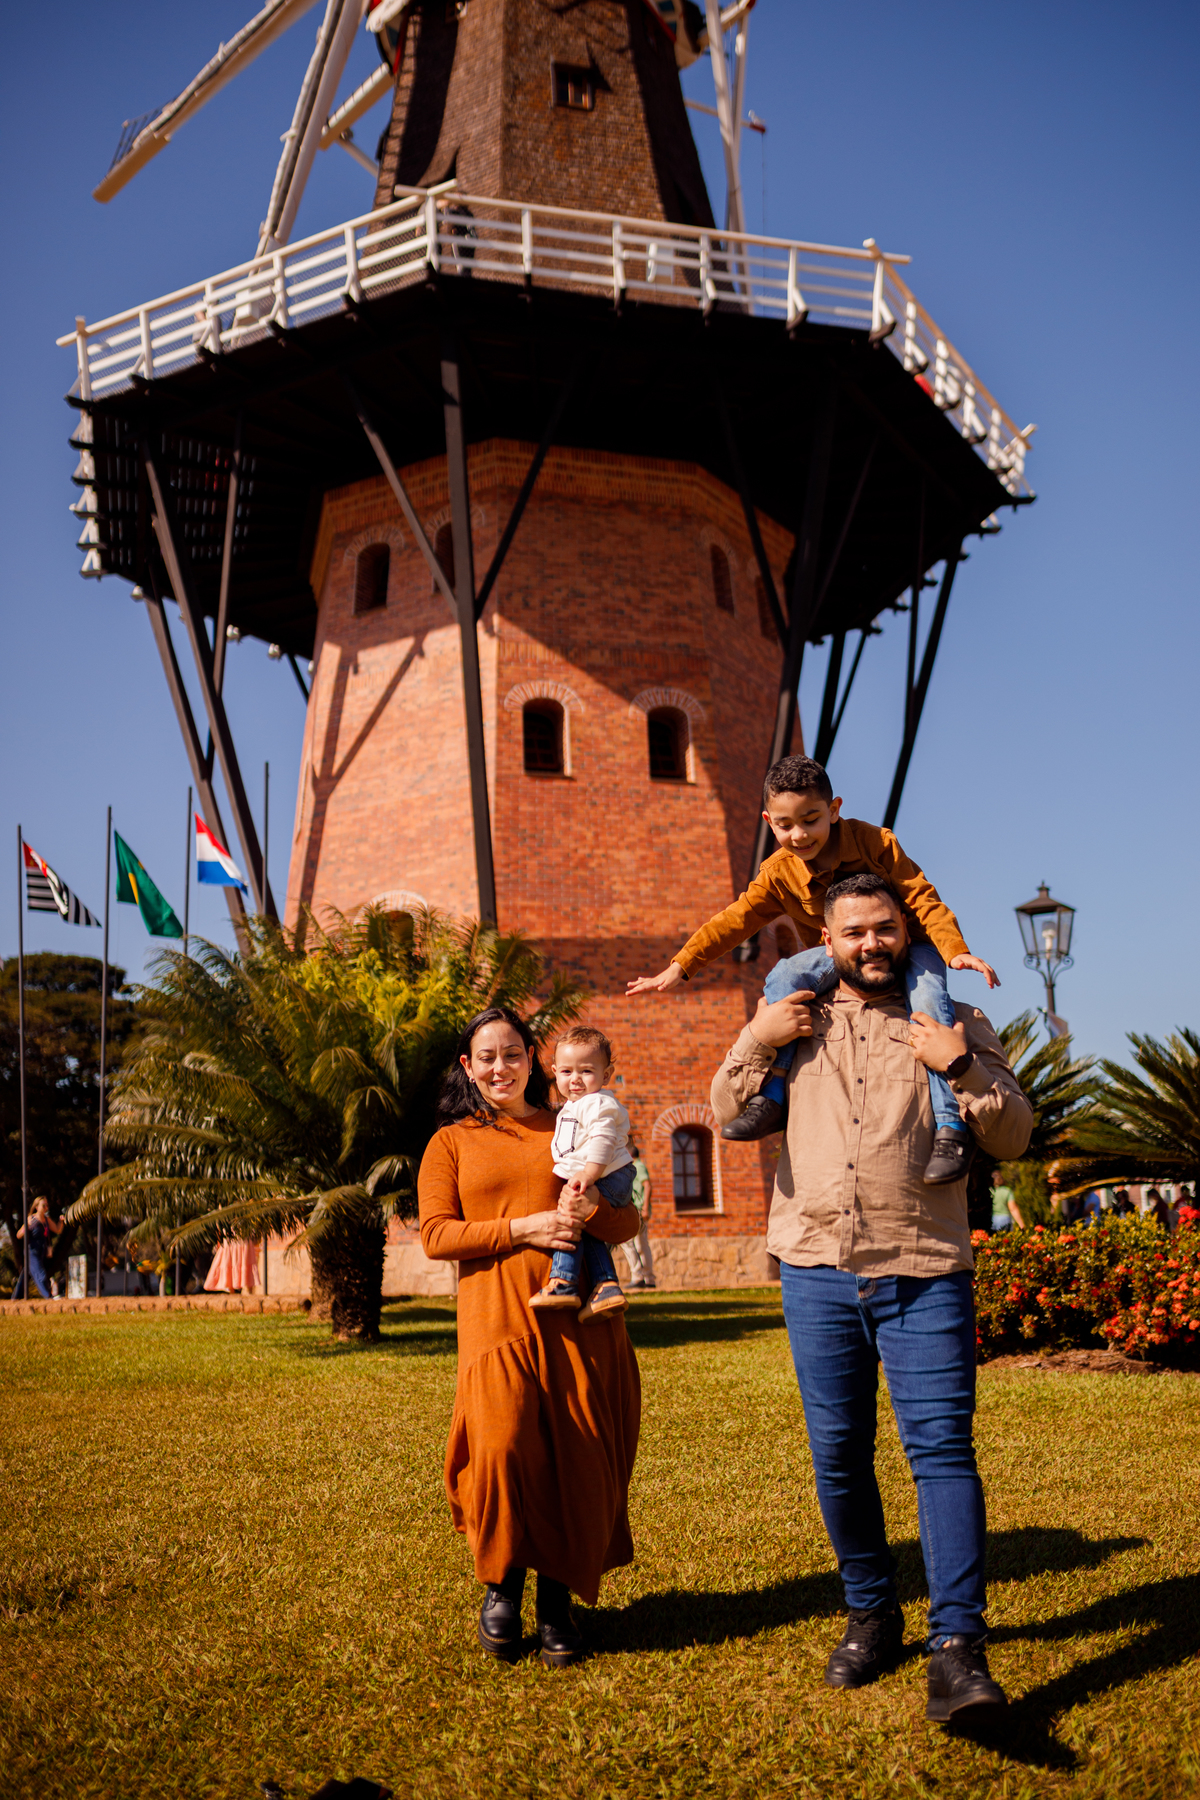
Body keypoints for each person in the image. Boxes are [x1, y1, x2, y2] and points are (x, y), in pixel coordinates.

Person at [711, 873, 1033, 1722]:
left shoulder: (953, 1020)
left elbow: (1014, 1131)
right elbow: (725, 1110)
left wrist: (955, 1064)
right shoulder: (797, 1022)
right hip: (816, 1268)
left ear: (905, 931)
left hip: (923, 1269)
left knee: (942, 1453)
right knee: (840, 1457)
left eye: (884, 929)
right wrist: (758, 1033)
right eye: (852, 932)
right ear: (828, 938)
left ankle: (958, 1649)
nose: (871, 945)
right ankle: (871, 1614)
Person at [628, 755, 998, 1186]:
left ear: (834, 810)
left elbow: (922, 897)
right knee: (783, 977)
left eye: (811, 820)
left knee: (931, 1001)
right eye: (785, 825)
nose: (799, 834)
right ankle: (771, 1097)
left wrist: (954, 950)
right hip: (837, 956)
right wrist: (680, 965)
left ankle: (951, 1127)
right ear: (769, 821)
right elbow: (734, 920)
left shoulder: (875, 842)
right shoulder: (778, 873)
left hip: (907, 946)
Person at [418, 1006, 642, 1667]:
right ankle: (501, 1587)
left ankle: (557, 1607)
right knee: (502, 1451)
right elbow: (435, 1235)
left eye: (512, 1053)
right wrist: (526, 1227)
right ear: (468, 1066)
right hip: (496, 1323)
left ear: (532, 1060)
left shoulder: (575, 1123)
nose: (499, 1067)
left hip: (580, 1324)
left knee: (575, 1457)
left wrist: (588, 1207)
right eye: (486, 1057)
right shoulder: (450, 1142)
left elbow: (625, 1225)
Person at [531, 1028, 634, 1321]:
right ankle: (607, 1286)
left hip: (609, 1176)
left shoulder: (598, 1102)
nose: (574, 1078)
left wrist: (588, 1174)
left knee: (571, 1219)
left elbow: (602, 1139)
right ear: (554, 1072)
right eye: (566, 1071)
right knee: (588, 1231)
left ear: (606, 1074)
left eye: (586, 1070)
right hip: (601, 1175)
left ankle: (563, 1281)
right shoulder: (572, 1106)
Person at [12, 1197, 64, 1299]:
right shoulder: (31, 1219)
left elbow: (57, 1229)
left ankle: (16, 1297)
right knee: (41, 1275)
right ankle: (48, 1296)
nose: (46, 1207)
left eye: (47, 1205)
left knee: (25, 1276)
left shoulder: (47, 1220)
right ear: (36, 1207)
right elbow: (18, 1235)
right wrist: (26, 1226)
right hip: (31, 1252)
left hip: (41, 1252)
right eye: (43, 1205)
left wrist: (61, 1221)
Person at [621, 1146, 657, 1291]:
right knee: (641, 1244)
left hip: (637, 1210)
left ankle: (637, 1276)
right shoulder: (638, 1166)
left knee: (628, 1242)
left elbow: (647, 1186)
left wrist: (644, 1207)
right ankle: (648, 1278)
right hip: (638, 1210)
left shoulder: (637, 1167)